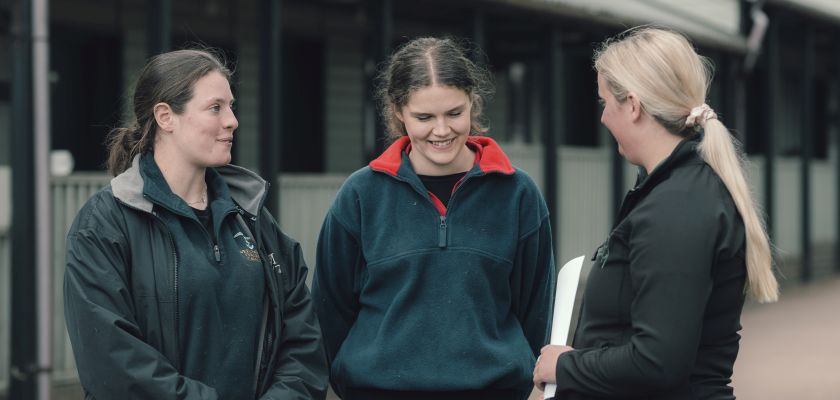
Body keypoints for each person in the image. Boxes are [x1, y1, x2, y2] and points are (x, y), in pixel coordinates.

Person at [64, 49, 329, 399]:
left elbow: (302, 340)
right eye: (216, 107)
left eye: (231, 106)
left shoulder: (253, 218)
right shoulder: (104, 224)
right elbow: (113, 365)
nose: (232, 120)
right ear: (165, 116)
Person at [532, 27, 779, 399]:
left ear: (632, 105)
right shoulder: (678, 191)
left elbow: (656, 361)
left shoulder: (677, 205)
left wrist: (564, 365)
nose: (602, 119)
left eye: (604, 103)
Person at [311, 37, 556, 400]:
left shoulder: (518, 194)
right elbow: (329, 313)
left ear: (472, 102)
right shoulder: (360, 195)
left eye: (454, 113)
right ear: (398, 111)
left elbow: (537, 310)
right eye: (424, 117)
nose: (441, 131)